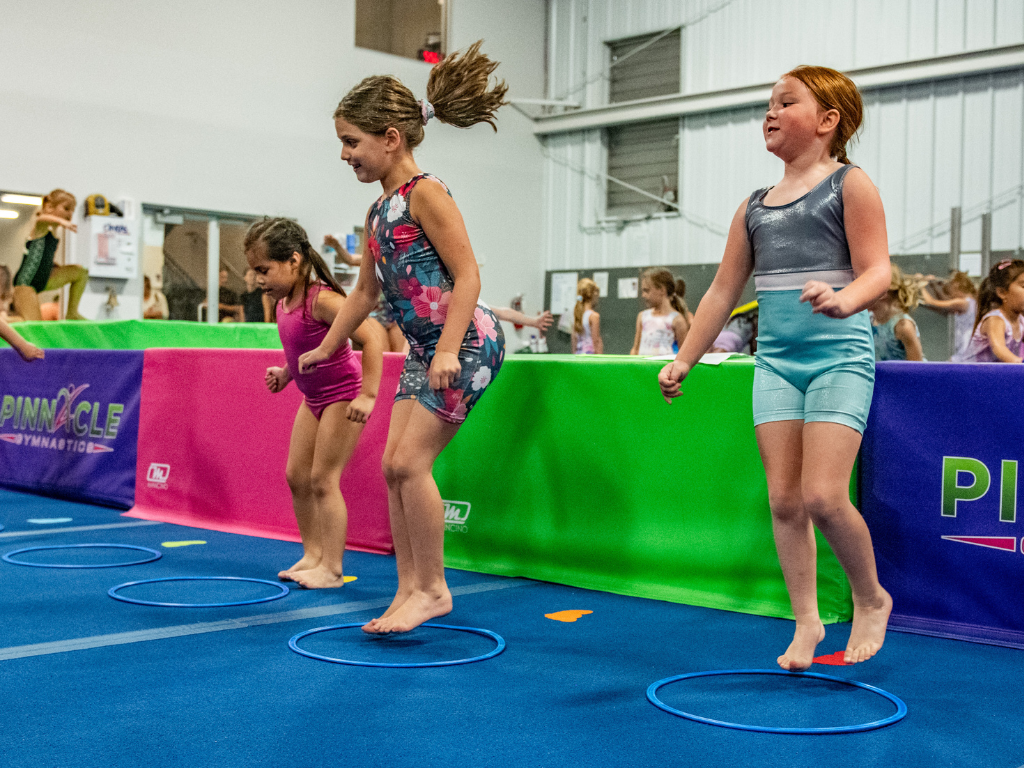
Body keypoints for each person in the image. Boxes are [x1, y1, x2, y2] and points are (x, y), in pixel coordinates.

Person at [658, 65, 893, 671]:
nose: (769, 111)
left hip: (839, 355)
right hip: (778, 363)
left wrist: (847, 300)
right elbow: (719, 293)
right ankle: (807, 620)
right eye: (767, 103)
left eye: (785, 102)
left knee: (822, 494)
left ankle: (871, 596)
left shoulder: (850, 186)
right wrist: (686, 358)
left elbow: (878, 271)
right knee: (785, 500)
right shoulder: (754, 207)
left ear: (826, 121)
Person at [297, 41, 507, 632]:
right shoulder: (378, 211)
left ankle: (433, 588)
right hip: (427, 346)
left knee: (410, 464)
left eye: (351, 142)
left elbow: (467, 275)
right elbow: (365, 294)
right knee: (393, 466)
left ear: (391, 137)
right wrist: (328, 344)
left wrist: (445, 349)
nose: (344, 154)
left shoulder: (426, 193)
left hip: (465, 343)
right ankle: (410, 587)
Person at [245, 217, 386, 589]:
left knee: (324, 479)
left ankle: (333, 569)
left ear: (293, 260)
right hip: (313, 398)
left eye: (264, 269)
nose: (258, 279)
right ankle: (313, 554)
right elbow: (303, 348)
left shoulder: (320, 299)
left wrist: (369, 395)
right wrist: (287, 372)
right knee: (296, 476)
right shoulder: (282, 301)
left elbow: (372, 338)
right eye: (254, 271)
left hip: (343, 395)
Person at [12, 189, 89, 321]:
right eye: (66, 208)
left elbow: (43, 257)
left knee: (81, 272)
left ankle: (72, 313)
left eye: (72, 210)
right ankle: (4, 322)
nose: (70, 213)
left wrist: (53, 265)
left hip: (44, 278)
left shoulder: (53, 231)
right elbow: (41, 218)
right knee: (32, 324)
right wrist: (62, 222)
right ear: (48, 207)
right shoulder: (41, 227)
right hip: (26, 283)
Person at [960, 259, 1024, 363]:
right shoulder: (995, 320)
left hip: (991, 376)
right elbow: (1000, 349)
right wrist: (1019, 362)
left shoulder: (1020, 321)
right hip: (970, 376)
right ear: (1002, 292)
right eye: (1023, 286)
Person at [919, 270, 977, 361]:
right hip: (965, 347)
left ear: (957, 286)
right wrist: (933, 285)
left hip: (965, 350)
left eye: (952, 289)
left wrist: (921, 286)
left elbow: (931, 302)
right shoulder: (971, 301)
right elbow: (943, 302)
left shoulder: (963, 302)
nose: (950, 293)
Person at [869, 265, 924, 361]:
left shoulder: (903, 327)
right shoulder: (870, 320)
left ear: (883, 293)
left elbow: (916, 368)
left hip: (907, 375)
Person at [629, 268, 690, 355]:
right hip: (642, 367)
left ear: (662, 290)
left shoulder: (677, 320)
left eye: (647, 290)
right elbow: (635, 349)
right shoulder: (643, 316)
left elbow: (684, 353)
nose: (643, 295)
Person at [571, 277, 602, 354]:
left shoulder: (576, 314)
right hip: (590, 358)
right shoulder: (593, 316)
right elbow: (596, 342)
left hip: (578, 356)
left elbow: (574, 343)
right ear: (593, 295)